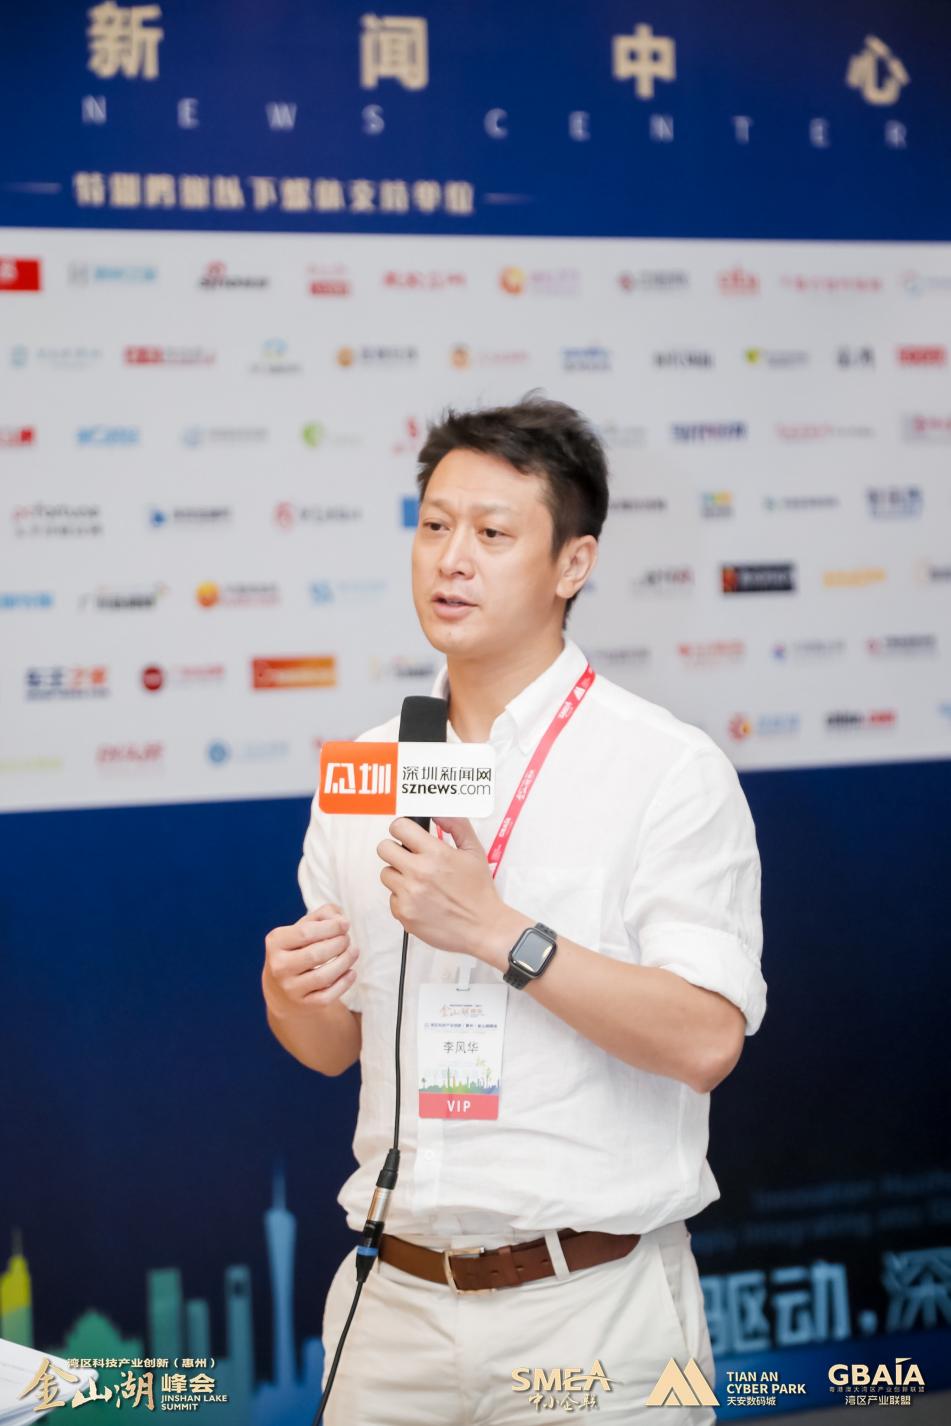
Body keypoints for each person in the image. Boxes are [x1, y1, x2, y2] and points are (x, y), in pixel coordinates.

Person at [261, 393, 767, 1424]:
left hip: (590, 1311)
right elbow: (328, 1047)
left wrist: (499, 933)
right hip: (391, 1304)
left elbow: (707, 1038)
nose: (452, 560)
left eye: (492, 535)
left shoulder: (664, 769)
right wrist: (289, 993)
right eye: (434, 526)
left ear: (573, 563)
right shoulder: (368, 767)